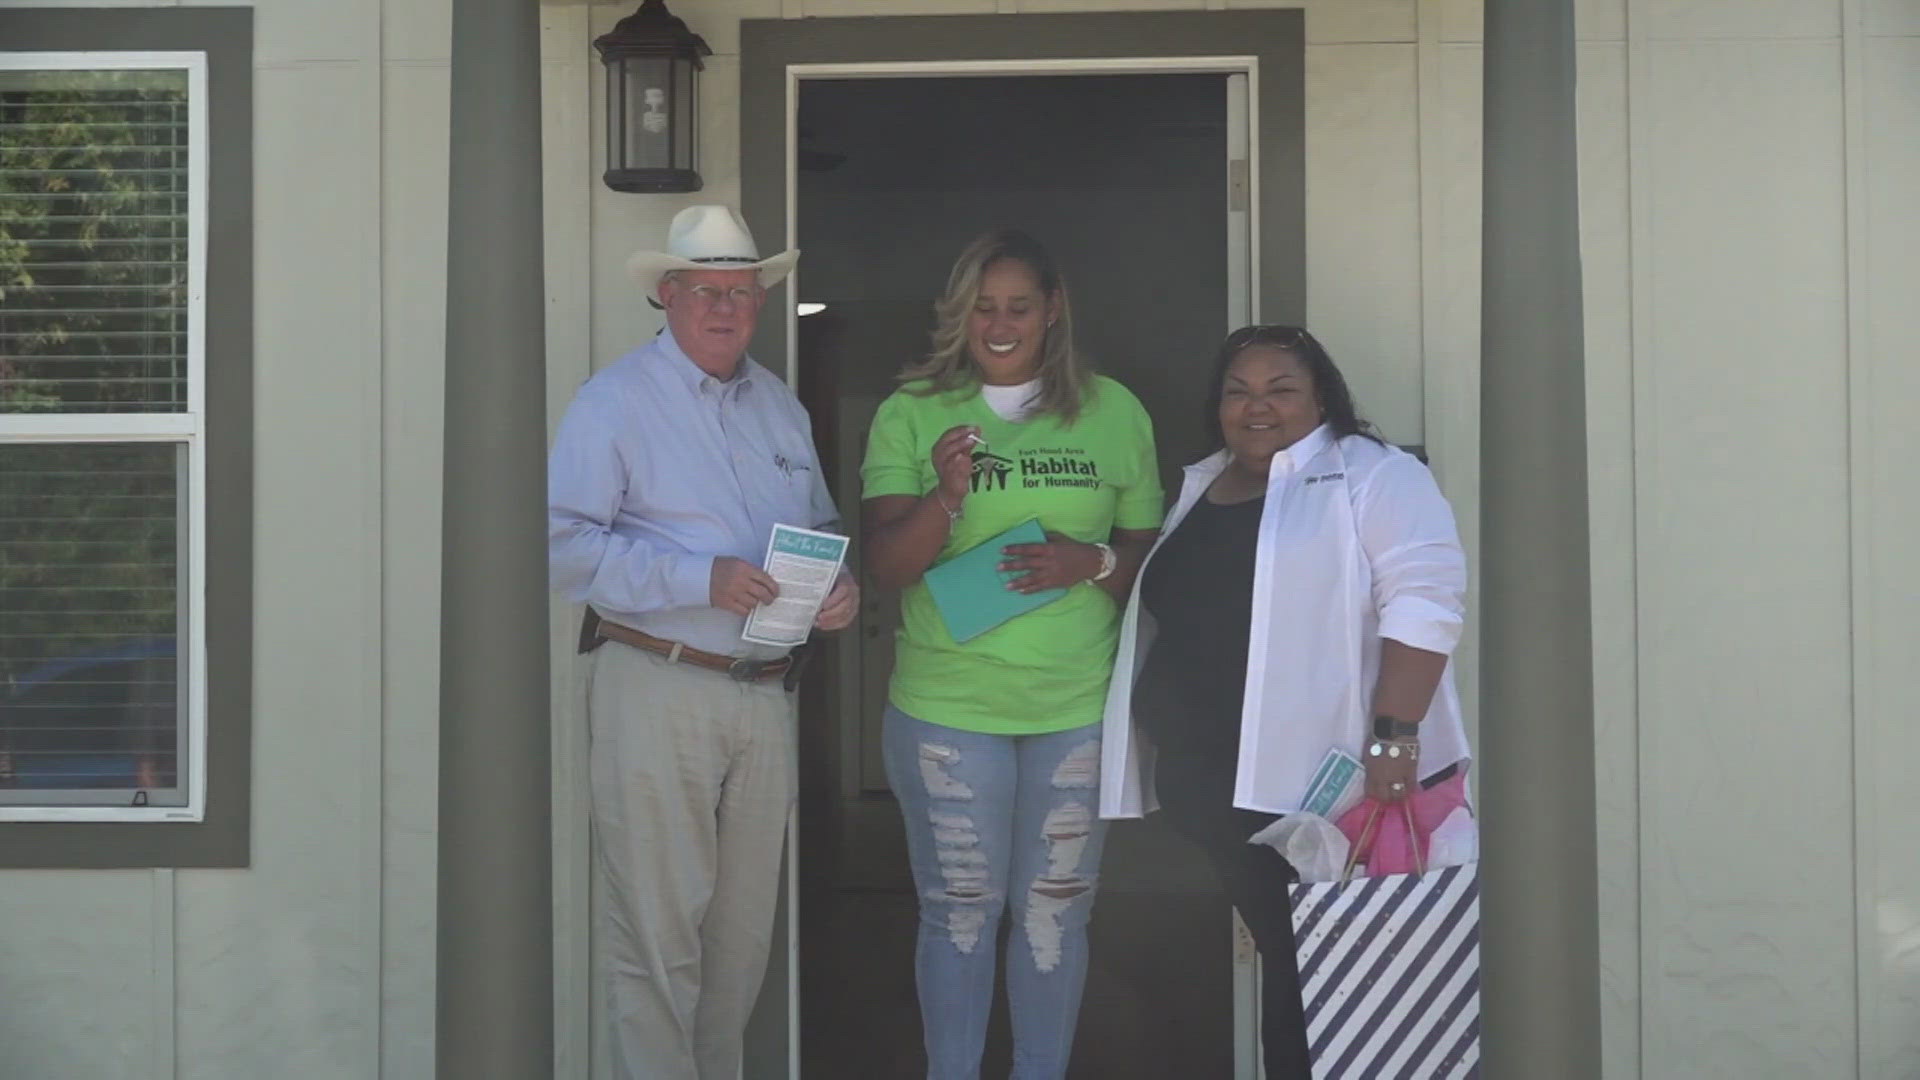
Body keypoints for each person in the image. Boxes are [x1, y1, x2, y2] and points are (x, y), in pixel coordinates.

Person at [1097, 324, 1472, 1073]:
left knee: (1329, 971)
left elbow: (1425, 606)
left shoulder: (1373, 473)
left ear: (1322, 397)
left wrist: (1394, 742)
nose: (1256, 407)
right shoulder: (1206, 483)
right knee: (1305, 964)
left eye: (1281, 389)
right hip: (1216, 788)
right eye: (1238, 391)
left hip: (1324, 788)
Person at [548, 204, 858, 1080]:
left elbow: (821, 522)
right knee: (656, 933)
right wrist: (699, 579)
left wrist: (836, 588)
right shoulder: (614, 402)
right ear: (668, 296)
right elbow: (564, 545)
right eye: (706, 291)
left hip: (763, 691)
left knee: (739, 942)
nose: (726, 307)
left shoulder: (780, 410)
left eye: (742, 291)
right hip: (659, 678)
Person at [859, 228, 1164, 1079]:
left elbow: (1152, 564)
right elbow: (885, 566)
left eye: (1018, 306)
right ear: (959, 314)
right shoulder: (913, 410)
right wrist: (945, 497)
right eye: (982, 307)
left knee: (1054, 910)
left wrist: (1089, 561)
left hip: (1076, 707)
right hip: (947, 707)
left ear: (1052, 310)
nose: (999, 324)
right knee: (958, 909)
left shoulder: (1115, 410)